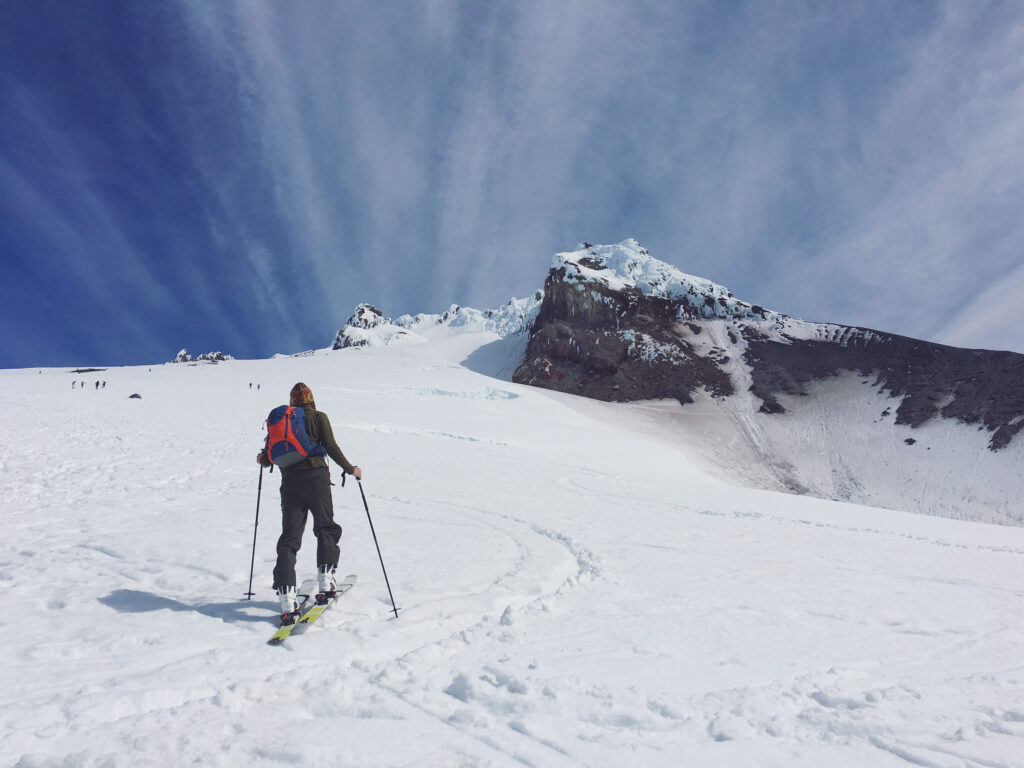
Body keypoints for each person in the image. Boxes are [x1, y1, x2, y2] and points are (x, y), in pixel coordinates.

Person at [257, 382, 362, 619]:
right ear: (311, 399)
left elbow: (268, 459)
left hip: (290, 482)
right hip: (316, 478)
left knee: (289, 537)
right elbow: (331, 447)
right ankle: (325, 580)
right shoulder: (318, 417)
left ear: (292, 402)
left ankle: (286, 596)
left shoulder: (283, 421)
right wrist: (350, 469)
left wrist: (261, 460)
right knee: (325, 526)